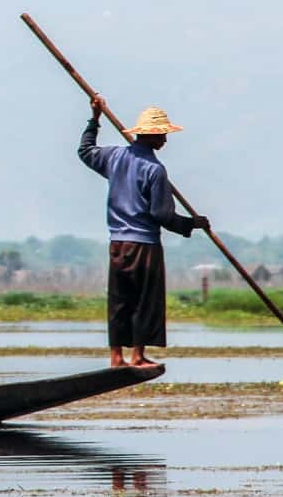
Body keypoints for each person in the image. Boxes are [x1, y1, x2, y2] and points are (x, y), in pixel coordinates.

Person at [78, 96, 209, 369]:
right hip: (144, 245)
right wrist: (192, 224)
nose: (165, 140)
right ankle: (136, 356)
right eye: (162, 135)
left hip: (118, 244)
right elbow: (161, 215)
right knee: (144, 301)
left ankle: (116, 358)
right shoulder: (154, 170)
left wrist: (95, 119)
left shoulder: (114, 157)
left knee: (119, 300)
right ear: (151, 136)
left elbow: (85, 150)